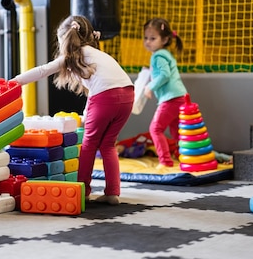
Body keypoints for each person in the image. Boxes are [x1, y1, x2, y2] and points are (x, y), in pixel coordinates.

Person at [13, 15, 133, 205]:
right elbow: (97, 90)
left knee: (88, 145)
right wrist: (87, 114)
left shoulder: (71, 56)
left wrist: (15, 81)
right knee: (108, 145)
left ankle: (82, 190)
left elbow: (43, 70)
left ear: (64, 40)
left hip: (105, 98)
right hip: (127, 95)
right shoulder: (97, 54)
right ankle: (112, 192)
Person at [142, 17, 187, 167]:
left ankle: (165, 161)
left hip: (170, 98)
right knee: (176, 131)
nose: (148, 41)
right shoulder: (166, 54)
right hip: (180, 97)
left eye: (153, 38)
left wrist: (150, 87)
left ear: (165, 39)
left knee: (155, 129)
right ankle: (183, 157)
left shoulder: (158, 55)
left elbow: (165, 74)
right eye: (146, 38)